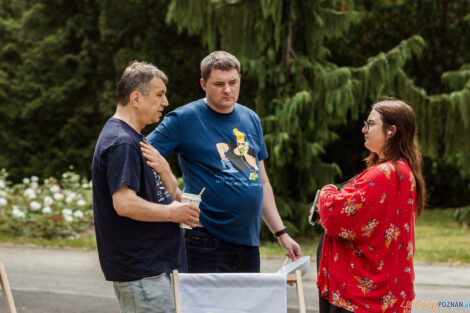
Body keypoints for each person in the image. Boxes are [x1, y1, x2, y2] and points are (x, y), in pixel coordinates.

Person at [147, 51, 301, 273]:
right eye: (219, 84)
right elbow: (141, 154)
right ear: (203, 83)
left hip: (248, 243)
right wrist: (173, 197)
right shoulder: (184, 119)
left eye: (233, 82)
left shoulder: (251, 119)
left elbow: (262, 182)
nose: (228, 90)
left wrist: (281, 233)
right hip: (203, 240)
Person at [92, 61, 200, 313]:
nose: (166, 102)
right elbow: (124, 203)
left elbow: (170, 192)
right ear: (136, 98)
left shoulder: (134, 138)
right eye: (160, 94)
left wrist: (164, 168)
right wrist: (173, 213)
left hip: (151, 269)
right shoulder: (122, 142)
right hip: (141, 270)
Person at [315, 99, 426, 313]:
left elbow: (333, 213)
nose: (364, 129)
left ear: (391, 131)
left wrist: (327, 190)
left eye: (371, 124)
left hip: (362, 296)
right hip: (384, 292)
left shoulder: (384, 174)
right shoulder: (402, 171)